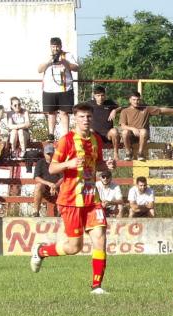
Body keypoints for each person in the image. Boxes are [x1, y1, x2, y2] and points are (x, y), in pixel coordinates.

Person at [29, 102, 116, 295]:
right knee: (73, 247)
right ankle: (41, 251)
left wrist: (107, 165)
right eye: (82, 117)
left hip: (92, 199)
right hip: (70, 200)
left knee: (100, 238)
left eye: (88, 117)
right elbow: (52, 168)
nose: (86, 120)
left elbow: (98, 164)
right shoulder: (66, 140)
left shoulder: (96, 140)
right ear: (75, 119)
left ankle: (97, 287)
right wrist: (69, 163)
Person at [119, 91, 173, 161]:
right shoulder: (125, 111)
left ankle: (140, 153)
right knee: (124, 132)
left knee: (143, 131)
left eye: (138, 100)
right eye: (134, 100)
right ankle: (128, 153)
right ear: (130, 100)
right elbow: (123, 126)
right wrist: (133, 129)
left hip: (143, 135)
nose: (136, 102)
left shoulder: (146, 109)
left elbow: (161, 110)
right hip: (131, 135)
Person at [37, 37, 79, 140]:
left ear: (61, 46)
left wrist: (65, 62)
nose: (55, 48)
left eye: (57, 46)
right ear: (50, 47)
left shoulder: (67, 55)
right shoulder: (46, 56)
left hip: (65, 88)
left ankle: (65, 135)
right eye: (53, 46)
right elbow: (39, 70)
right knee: (51, 112)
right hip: (49, 89)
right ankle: (51, 135)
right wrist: (49, 62)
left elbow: (77, 68)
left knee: (64, 112)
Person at [84, 86, 121, 159]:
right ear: (94, 96)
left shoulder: (109, 103)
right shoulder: (89, 104)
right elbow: (78, 109)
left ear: (105, 95)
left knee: (115, 131)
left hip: (108, 134)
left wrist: (114, 110)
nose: (100, 97)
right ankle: (90, 155)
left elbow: (121, 107)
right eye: (98, 96)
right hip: (95, 134)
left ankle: (116, 154)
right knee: (89, 131)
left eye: (102, 95)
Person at [32, 143, 62, 216]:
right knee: (38, 186)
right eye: (48, 154)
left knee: (64, 186)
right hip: (45, 188)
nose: (49, 156)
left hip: (57, 187)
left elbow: (63, 177)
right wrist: (49, 184)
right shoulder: (40, 163)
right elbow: (36, 177)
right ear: (44, 153)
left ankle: (60, 213)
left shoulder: (59, 163)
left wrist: (56, 185)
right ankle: (35, 212)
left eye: (51, 154)